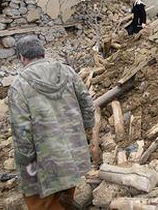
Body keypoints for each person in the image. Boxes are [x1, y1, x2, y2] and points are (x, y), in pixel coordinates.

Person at [8, 35, 95, 210]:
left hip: (44, 160)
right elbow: (87, 104)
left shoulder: (19, 85)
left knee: (41, 202)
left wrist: (25, 163)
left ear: (22, 58)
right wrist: (84, 133)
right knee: (66, 194)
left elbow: (22, 132)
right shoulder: (67, 72)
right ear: (42, 53)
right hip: (71, 153)